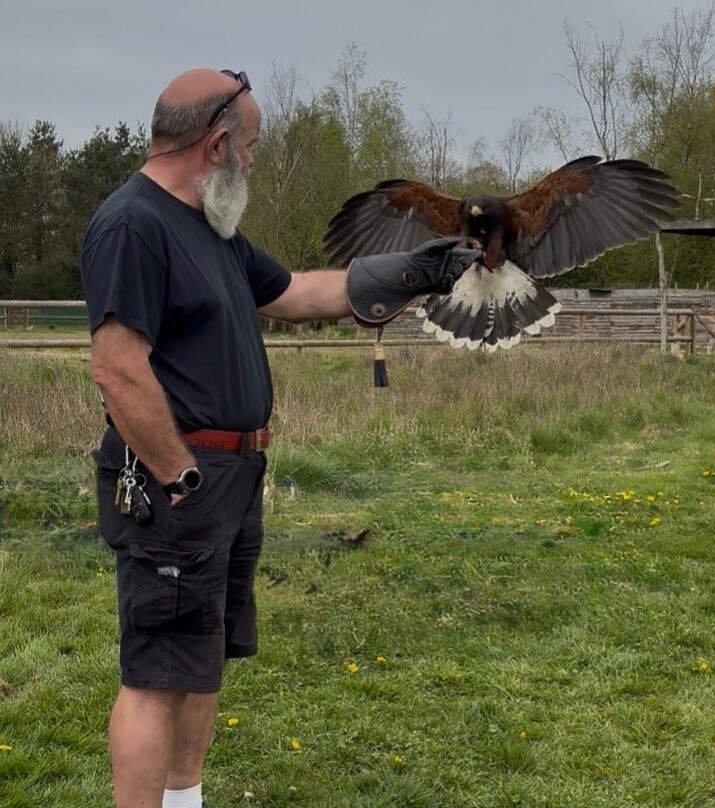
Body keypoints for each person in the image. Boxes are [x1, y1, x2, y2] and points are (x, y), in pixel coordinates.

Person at [80, 67, 477, 808]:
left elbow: (293, 291)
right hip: (179, 481)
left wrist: (413, 273)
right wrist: (178, 475)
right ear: (218, 144)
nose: (256, 161)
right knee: (156, 674)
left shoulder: (210, 226)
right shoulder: (134, 224)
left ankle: (184, 799)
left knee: (199, 657)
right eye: (254, 146)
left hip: (228, 477)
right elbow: (116, 367)